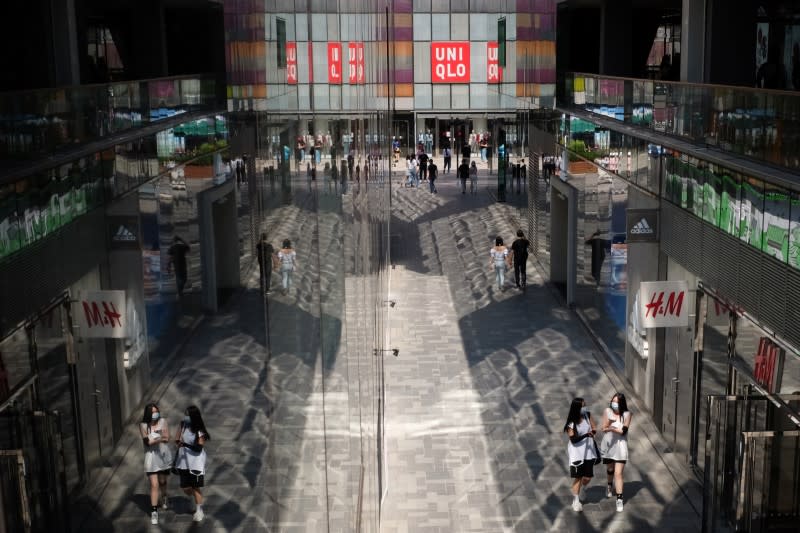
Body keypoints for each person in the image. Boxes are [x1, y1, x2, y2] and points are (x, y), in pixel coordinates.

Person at [174, 405, 210, 522]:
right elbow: (177, 438)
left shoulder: (200, 431)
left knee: (195, 487)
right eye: (185, 414)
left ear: (193, 416)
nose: (185, 417)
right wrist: (178, 442)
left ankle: (199, 510)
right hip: (183, 461)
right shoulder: (183, 425)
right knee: (185, 487)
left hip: (195, 462)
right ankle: (194, 497)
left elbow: (198, 448)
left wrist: (185, 445)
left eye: (188, 415)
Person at [140, 403, 172, 525]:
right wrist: (159, 437)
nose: (156, 414)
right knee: (154, 484)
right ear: (148, 414)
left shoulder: (163, 421)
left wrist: (156, 438)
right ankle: (154, 512)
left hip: (163, 456)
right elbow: (147, 442)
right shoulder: (143, 425)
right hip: (151, 458)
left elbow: (167, 437)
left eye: (157, 411)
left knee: (162, 481)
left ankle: (164, 497)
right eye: (153, 412)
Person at [564, 397, 598, 512]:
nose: (584, 408)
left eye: (585, 405)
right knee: (578, 476)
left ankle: (582, 488)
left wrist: (593, 432)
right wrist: (586, 435)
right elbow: (573, 439)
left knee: (588, 477)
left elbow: (594, 427)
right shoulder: (571, 423)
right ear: (576, 408)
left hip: (588, 451)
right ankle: (576, 500)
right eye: (582, 406)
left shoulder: (587, 415)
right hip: (577, 454)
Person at [601, 393, 632, 512]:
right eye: (613, 401)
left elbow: (623, 431)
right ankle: (609, 485)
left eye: (617, 402)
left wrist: (612, 427)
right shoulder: (607, 411)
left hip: (621, 447)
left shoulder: (627, 414)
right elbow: (603, 428)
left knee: (618, 474)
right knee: (610, 469)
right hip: (609, 445)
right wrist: (609, 426)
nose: (614, 404)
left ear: (622, 403)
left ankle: (619, 499)